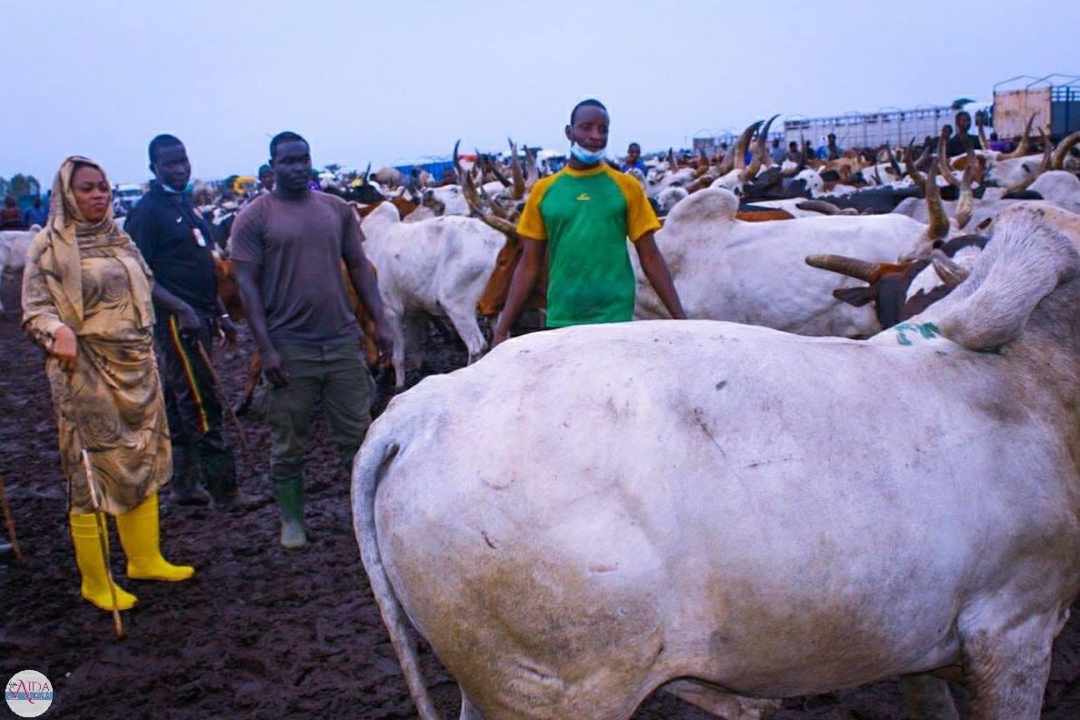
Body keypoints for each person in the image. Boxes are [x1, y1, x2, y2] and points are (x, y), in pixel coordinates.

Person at [21, 156, 194, 611]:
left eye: (103, 187)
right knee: (92, 471)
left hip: (137, 365)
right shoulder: (50, 246)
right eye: (86, 189)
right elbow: (34, 309)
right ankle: (96, 581)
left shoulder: (119, 237)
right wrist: (54, 331)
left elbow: (145, 287)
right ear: (66, 194)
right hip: (86, 370)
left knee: (143, 455)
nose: (98, 195)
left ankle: (144, 558)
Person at [230, 131, 393, 549]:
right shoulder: (254, 217)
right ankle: (292, 520)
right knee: (288, 438)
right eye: (288, 161)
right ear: (271, 166)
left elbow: (359, 268)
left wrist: (380, 321)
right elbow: (246, 287)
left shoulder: (336, 210)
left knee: (357, 434)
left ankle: (369, 517)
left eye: (304, 159)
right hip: (290, 347)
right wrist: (265, 348)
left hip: (341, 342)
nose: (298, 167)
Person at [493, 99, 685, 345]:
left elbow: (650, 257)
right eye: (586, 127)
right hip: (563, 317)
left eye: (603, 129)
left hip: (616, 317)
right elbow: (528, 265)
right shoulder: (544, 191)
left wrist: (680, 318)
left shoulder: (627, 187)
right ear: (569, 132)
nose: (595, 136)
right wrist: (502, 328)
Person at [125, 135, 247, 509]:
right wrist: (180, 308)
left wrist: (221, 314)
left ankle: (183, 484)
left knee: (181, 400)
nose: (179, 169)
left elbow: (202, 266)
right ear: (153, 169)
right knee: (200, 397)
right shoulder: (146, 213)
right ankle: (225, 491)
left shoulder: (186, 206)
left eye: (183, 161)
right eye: (170, 164)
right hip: (176, 324)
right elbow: (139, 274)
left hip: (201, 315)